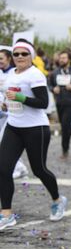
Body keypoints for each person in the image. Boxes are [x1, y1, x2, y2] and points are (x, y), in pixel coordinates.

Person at [0, 39, 67, 230]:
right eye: (16, 54)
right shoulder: (11, 74)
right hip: (14, 126)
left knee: (39, 169)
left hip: (35, 128)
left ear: (32, 56)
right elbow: (11, 97)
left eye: (24, 53)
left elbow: (43, 102)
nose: (20, 57)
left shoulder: (35, 75)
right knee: (3, 169)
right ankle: (6, 214)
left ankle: (57, 199)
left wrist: (20, 97)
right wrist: (7, 103)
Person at [0, 46, 30, 179]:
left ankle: (19, 168)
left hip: (13, 114)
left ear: (8, 59)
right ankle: (20, 167)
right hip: (2, 112)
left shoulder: (14, 73)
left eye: (1, 58)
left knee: (4, 142)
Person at [48, 48, 71, 159]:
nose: (61, 60)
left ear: (69, 59)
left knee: (65, 126)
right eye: (60, 58)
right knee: (65, 125)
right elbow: (49, 85)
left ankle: (65, 150)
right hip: (59, 102)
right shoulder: (54, 73)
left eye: (64, 58)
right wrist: (53, 89)